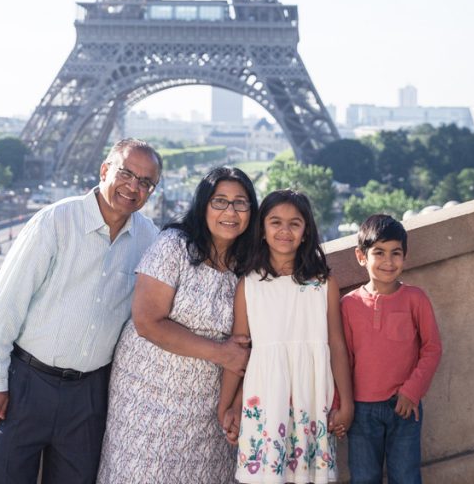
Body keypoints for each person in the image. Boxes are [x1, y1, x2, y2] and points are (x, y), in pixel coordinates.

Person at [0, 138, 162, 484]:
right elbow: (7, 301)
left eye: (146, 182)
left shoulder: (149, 238)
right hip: (25, 384)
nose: (134, 187)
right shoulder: (55, 221)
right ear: (104, 170)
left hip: (89, 397)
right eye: (126, 174)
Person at [96, 166, 260, 484]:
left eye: (240, 203)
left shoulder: (249, 265)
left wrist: (233, 402)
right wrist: (221, 353)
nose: (230, 212)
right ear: (202, 205)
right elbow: (147, 321)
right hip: (148, 396)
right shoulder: (174, 246)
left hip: (209, 406)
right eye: (220, 201)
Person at [221, 189, 354, 483]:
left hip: (312, 398)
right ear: (262, 230)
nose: (285, 230)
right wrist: (230, 405)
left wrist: (347, 403)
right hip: (265, 400)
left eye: (294, 223)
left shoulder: (323, 284)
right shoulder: (248, 286)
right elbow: (242, 354)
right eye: (275, 222)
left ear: (306, 232)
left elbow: (336, 345)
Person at [342, 214, 442, 484]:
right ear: (361, 256)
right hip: (361, 412)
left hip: (404, 407)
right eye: (379, 252)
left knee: (406, 477)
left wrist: (412, 392)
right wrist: (342, 404)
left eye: (395, 253)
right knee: (364, 478)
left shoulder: (415, 299)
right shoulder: (348, 305)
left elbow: (432, 348)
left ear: (404, 257)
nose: (388, 261)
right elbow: (343, 359)